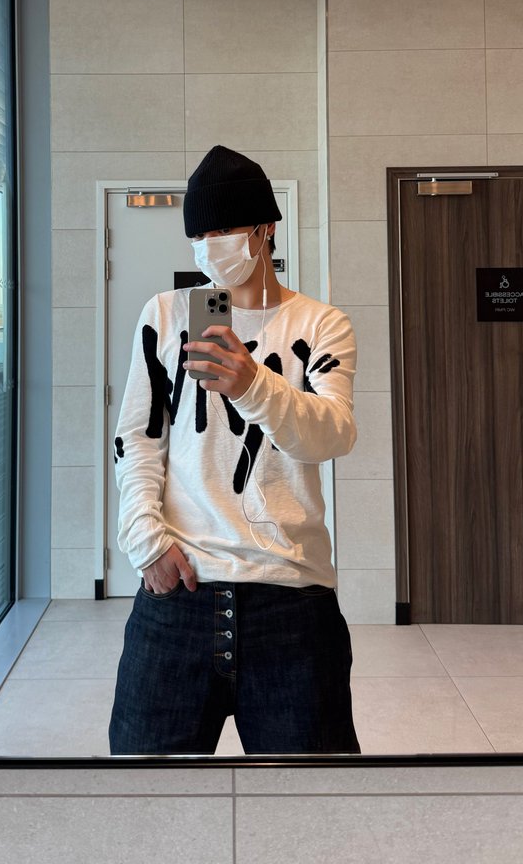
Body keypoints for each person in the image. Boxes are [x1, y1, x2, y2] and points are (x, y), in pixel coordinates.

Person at [108, 145, 361, 754]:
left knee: (312, 800)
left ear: (265, 228)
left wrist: (252, 385)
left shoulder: (320, 324)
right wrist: (146, 542)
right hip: (178, 594)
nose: (207, 246)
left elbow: (333, 434)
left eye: (220, 231)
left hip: (292, 602)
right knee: (142, 796)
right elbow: (138, 440)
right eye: (197, 235)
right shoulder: (166, 315)